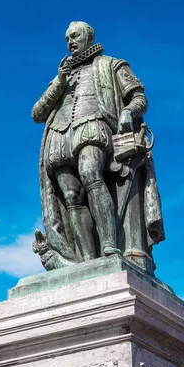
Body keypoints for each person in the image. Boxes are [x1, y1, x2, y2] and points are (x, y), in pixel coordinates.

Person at [31, 21, 164, 272]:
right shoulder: (61, 75)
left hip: (93, 126)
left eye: (75, 36)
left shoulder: (113, 64)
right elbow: (37, 114)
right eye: (67, 38)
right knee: (72, 196)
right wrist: (59, 82)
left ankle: (109, 246)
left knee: (91, 173)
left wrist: (127, 112)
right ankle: (87, 261)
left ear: (88, 37)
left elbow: (139, 99)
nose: (70, 41)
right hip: (59, 137)